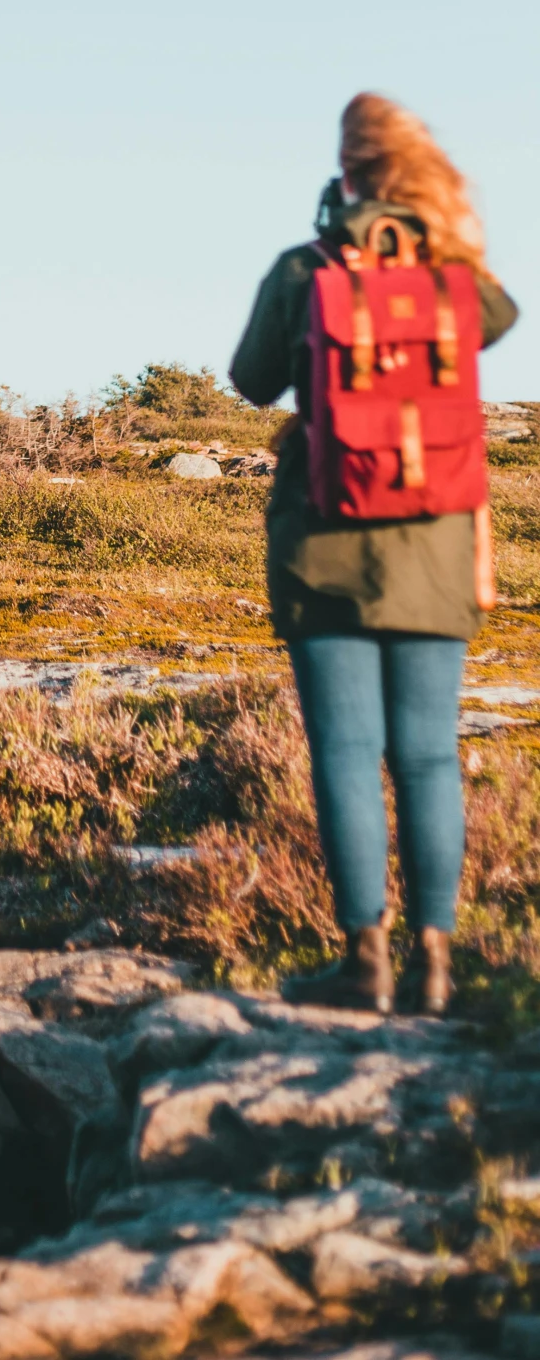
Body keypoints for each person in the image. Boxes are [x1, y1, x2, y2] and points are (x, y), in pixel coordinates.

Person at [230, 93, 518, 1015]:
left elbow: (250, 380)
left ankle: (365, 959)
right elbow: (500, 319)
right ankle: (436, 961)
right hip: (436, 548)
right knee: (430, 756)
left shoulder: (301, 270)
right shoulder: (455, 279)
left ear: (345, 174)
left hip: (324, 546)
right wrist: (437, 237)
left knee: (346, 753)